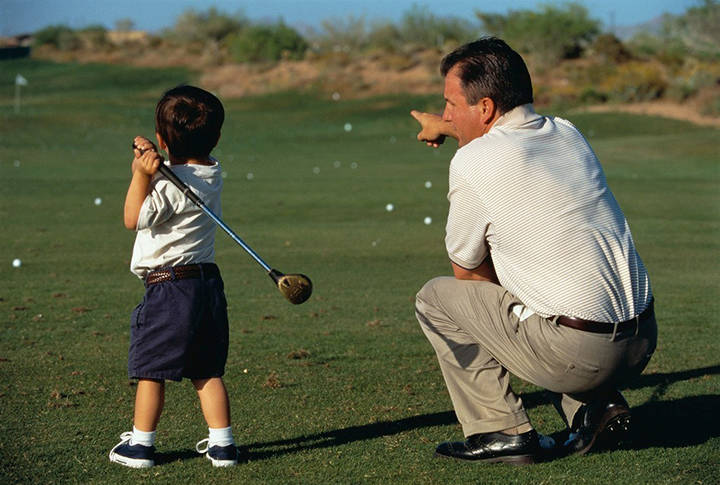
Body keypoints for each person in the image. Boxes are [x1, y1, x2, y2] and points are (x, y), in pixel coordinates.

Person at [410, 37, 657, 465]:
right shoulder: (566, 132)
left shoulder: (472, 163)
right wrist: (449, 127)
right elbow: (507, 135)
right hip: (641, 341)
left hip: (580, 354)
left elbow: (468, 274)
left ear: (485, 108)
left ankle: (501, 431)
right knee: (538, 299)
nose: (446, 113)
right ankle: (595, 407)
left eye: (450, 104)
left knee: (438, 298)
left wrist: (518, 301)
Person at [109, 85, 238, 468]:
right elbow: (184, 162)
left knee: (151, 370)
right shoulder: (211, 173)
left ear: (164, 140)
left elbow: (133, 218)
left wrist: (139, 174)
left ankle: (141, 446)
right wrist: (158, 157)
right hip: (206, 285)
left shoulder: (166, 185)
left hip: (169, 287)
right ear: (215, 137)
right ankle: (223, 445)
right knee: (206, 371)